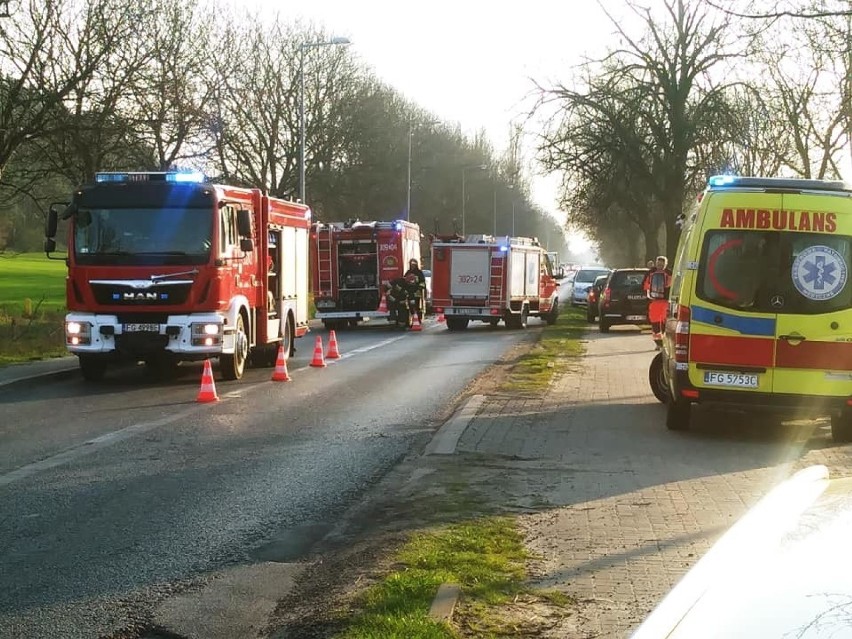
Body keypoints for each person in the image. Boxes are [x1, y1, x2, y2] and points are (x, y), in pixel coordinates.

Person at [643, 256, 672, 348]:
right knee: (655, 322)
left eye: (662, 264)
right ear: (656, 263)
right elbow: (644, 285)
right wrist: (652, 290)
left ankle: (664, 342)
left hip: (665, 301)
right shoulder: (650, 273)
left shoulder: (669, 273)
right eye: (658, 263)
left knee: (664, 322)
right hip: (654, 301)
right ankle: (658, 343)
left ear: (665, 264)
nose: (660, 265)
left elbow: (672, 286)